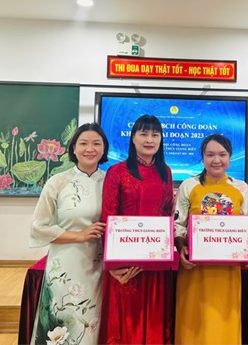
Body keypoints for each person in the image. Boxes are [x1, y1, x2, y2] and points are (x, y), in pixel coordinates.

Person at [174, 133, 248, 344]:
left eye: (222, 154)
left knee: (225, 320)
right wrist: (182, 247)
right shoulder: (189, 185)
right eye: (210, 154)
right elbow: (178, 224)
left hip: (228, 271)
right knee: (193, 322)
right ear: (202, 156)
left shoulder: (241, 188)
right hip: (195, 269)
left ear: (230, 157)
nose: (216, 160)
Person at [29, 122, 109, 345]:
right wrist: (79, 235)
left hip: (99, 266)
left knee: (91, 325)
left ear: (104, 148)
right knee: (62, 323)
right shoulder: (58, 182)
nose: (90, 149)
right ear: (74, 148)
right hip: (65, 265)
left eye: (96, 143)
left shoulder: (110, 181)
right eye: (83, 143)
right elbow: (38, 227)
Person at [98, 115, 175, 344]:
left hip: (155, 261)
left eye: (155, 134)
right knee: (126, 322)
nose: (149, 139)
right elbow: (108, 216)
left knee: (154, 320)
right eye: (143, 134)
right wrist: (112, 266)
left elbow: (167, 214)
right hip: (125, 264)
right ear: (133, 138)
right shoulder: (117, 171)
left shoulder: (166, 171)